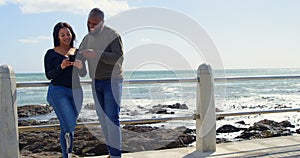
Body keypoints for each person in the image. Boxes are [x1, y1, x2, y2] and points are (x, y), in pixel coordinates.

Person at [79, 8, 124, 158]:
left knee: (112, 118)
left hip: (113, 81)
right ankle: (112, 153)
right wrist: (78, 63)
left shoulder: (113, 35)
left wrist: (96, 54)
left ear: (102, 23)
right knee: (103, 120)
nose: (91, 26)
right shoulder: (86, 38)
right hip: (95, 82)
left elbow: (118, 58)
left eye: (95, 24)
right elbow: (80, 57)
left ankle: (116, 155)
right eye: (89, 23)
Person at [44, 22, 87, 158]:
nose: (66, 37)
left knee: (68, 127)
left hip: (76, 92)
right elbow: (49, 75)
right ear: (57, 37)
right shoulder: (51, 54)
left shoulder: (78, 52)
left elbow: (83, 74)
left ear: (72, 34)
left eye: (68, 34)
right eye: (62, 35)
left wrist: (80, 66)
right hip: (58, 92)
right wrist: (61, 67)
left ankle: (66, 156)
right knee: (69, 124)